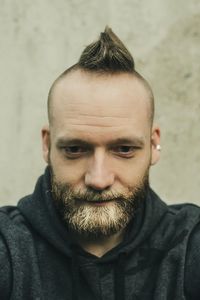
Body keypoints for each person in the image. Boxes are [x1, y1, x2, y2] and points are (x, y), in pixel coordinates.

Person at [0, 27, 199, 300]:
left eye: (124, 149)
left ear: (154, 145)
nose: (99, 179)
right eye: (74, 149)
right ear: (46, 145)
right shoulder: (8, 248)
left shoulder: (190, 244)